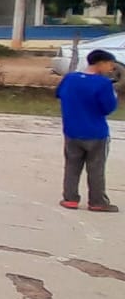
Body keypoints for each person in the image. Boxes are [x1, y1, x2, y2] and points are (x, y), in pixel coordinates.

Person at [57, 49, 119, 212]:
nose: (112, 68)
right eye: (110, 64)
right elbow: (108, 108)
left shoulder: (70, 78)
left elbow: (60, 94)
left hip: (72, 130)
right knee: (96, 168)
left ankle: (70, 198)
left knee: (72, 166)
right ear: (101, 63)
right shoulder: (103, 84)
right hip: (95, 132)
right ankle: (97, 201)